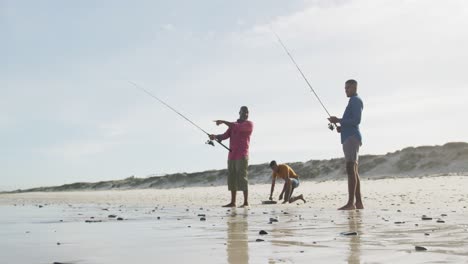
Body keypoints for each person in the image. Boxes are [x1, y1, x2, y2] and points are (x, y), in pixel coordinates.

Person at [328, 79, 364, 210]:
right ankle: (358, 203)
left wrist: (338, 120)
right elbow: (350, 121)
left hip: (351, 138)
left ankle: (351, 203)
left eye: (348, 88)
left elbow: (356, 120)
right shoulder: (353, 101)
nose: (346, 90)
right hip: (349, 136)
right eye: (345, 88)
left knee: (350, 168)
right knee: (353, 170)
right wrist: (341, 127)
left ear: (354, 88)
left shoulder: (355, 100)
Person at [209, 106, 253, 208]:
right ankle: (233, 202)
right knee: (232, 178)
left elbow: (237, 127)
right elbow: (224, 136)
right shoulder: (233, 126)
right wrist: (215, 136)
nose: (245, 114)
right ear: (239, 113)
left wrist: (223, 121)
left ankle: (246, 202)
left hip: (242, 155)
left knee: (242, 178)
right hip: (232, 156)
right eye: (243, 112)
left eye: (247, 112)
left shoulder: (249, 124)